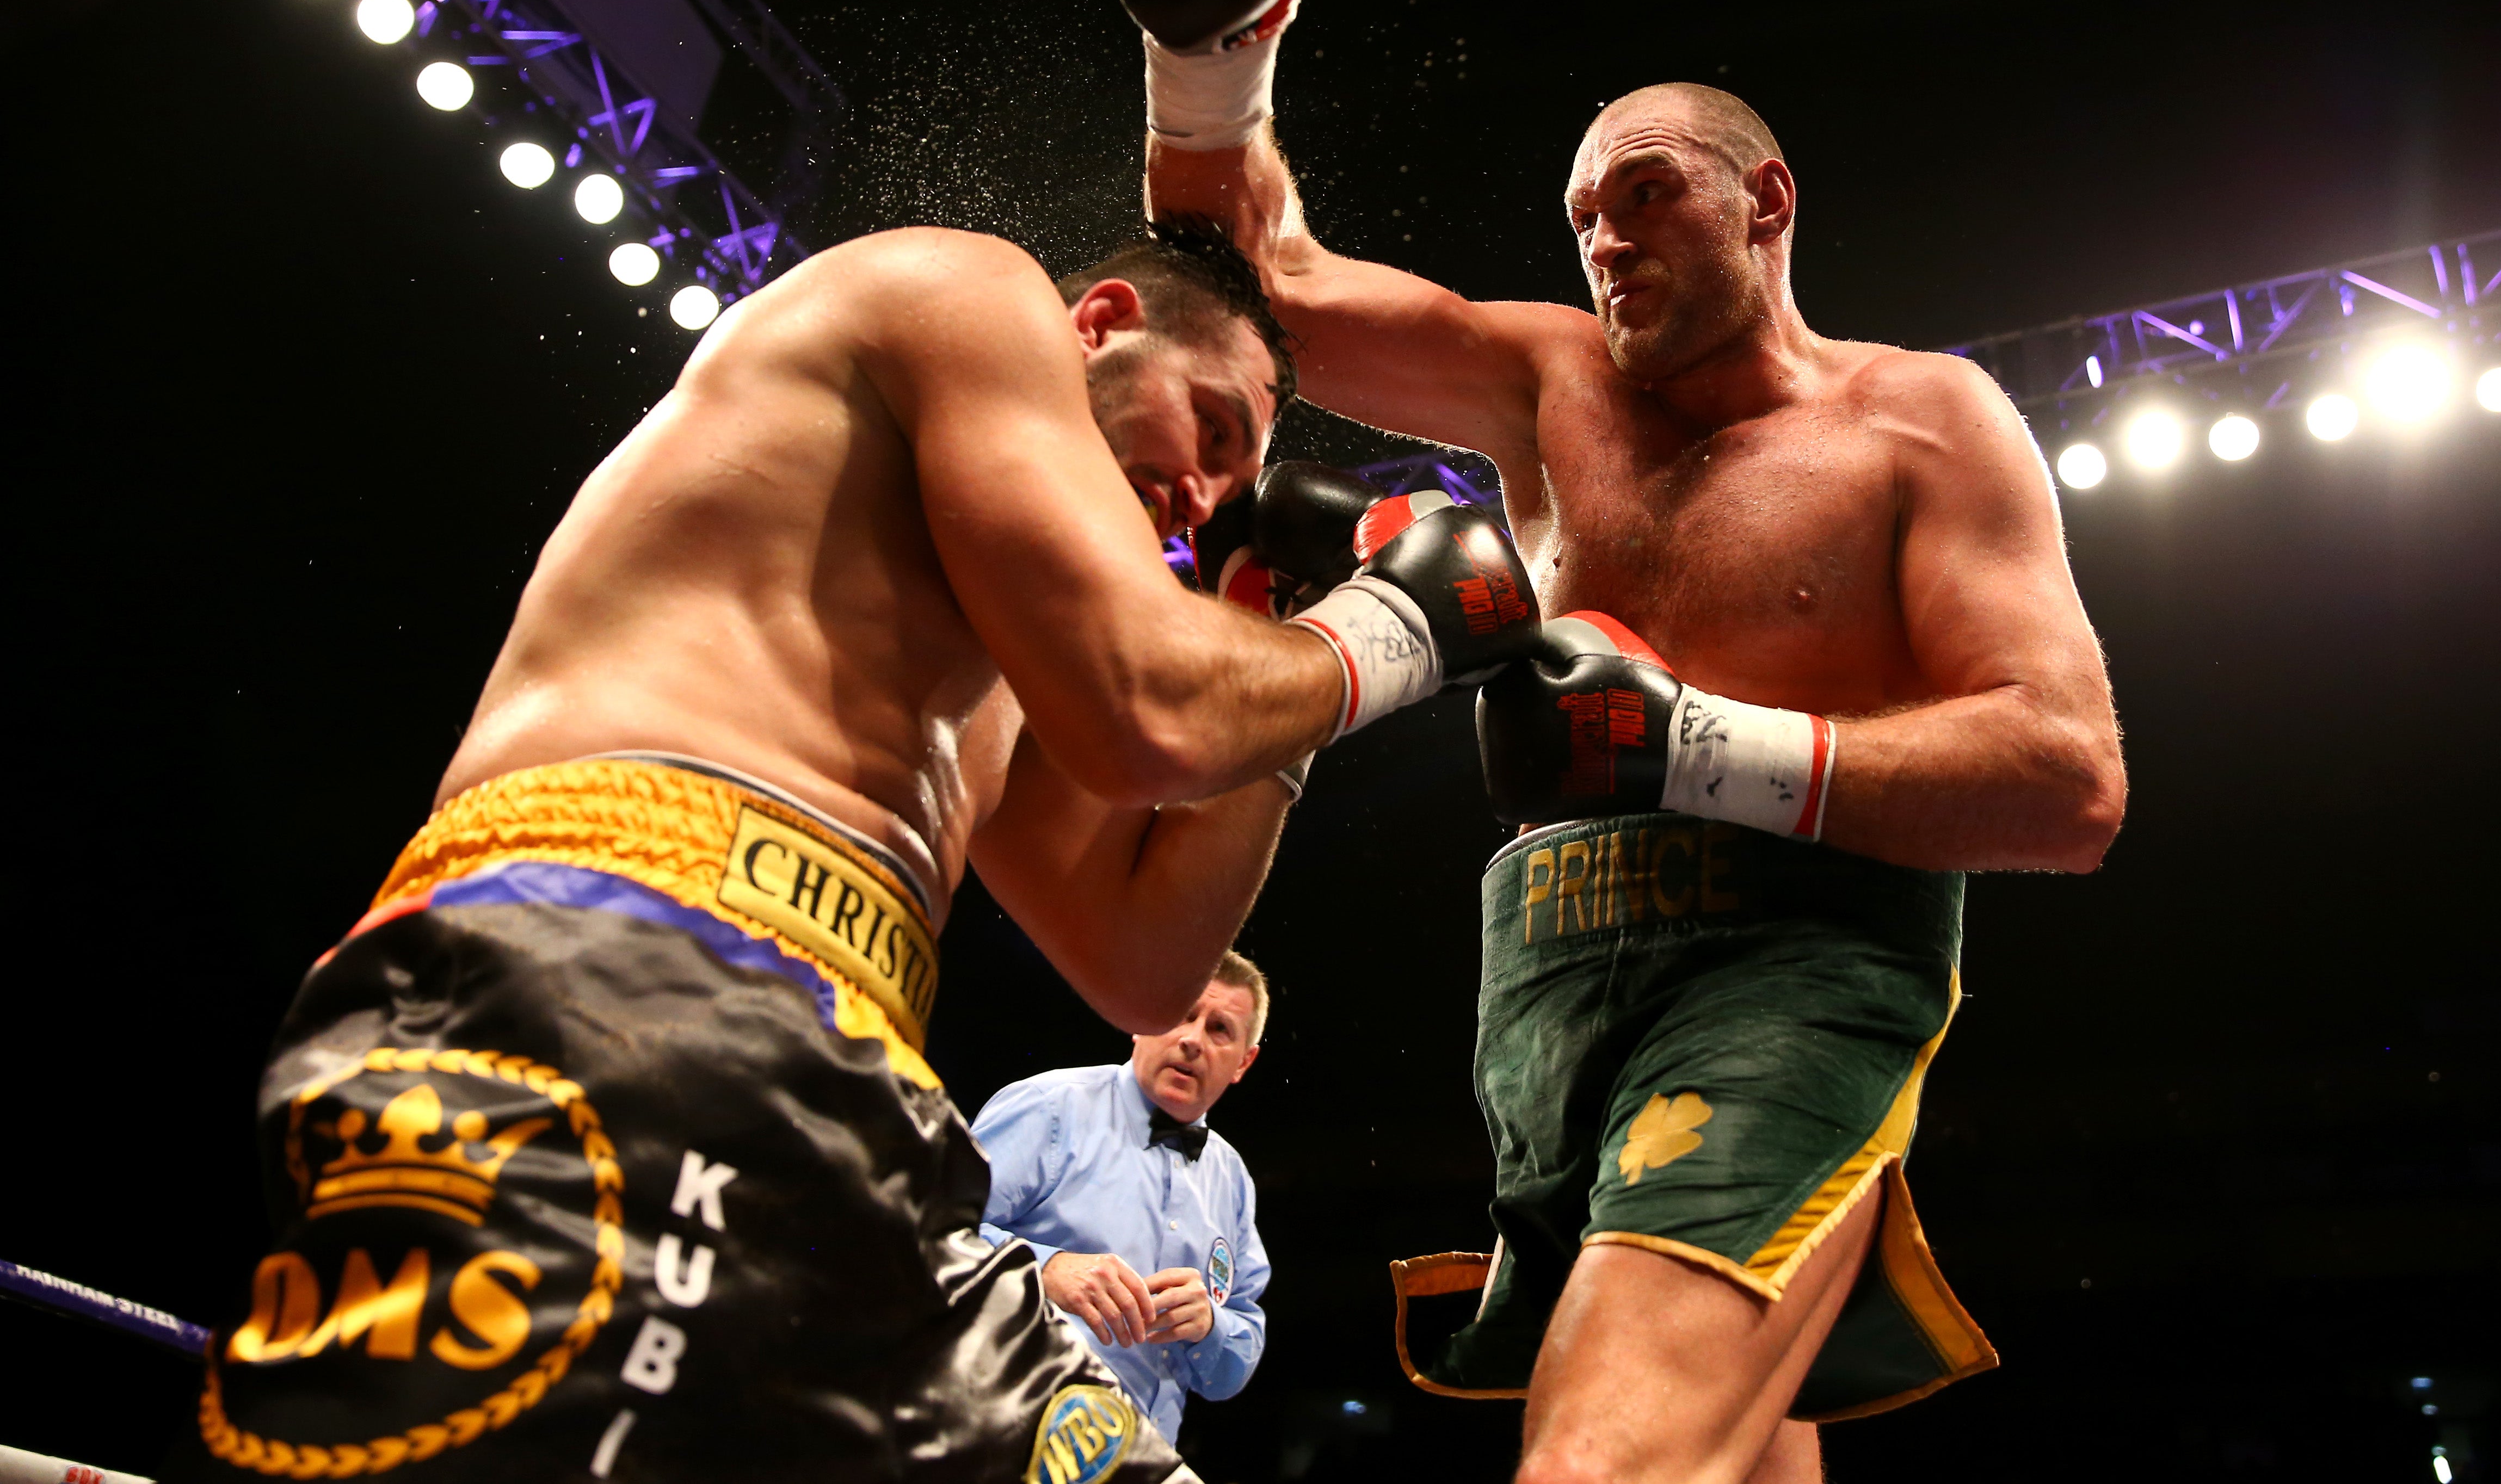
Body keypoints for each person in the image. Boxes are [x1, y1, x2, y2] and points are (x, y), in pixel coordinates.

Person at [182, 217, 1541, 1484]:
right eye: (1211, 426)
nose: (1199, 498)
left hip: (849, 1103)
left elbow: (1145, 955)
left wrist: (1280, 679)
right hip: (617, 962)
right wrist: (1385, 627)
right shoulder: (967, 290)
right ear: (1102, 321)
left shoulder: (1017, 660)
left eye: (1232, 486)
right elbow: (1161, 709)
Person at [1091, 0, 2128, 1484]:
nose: (1606, 244)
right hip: (1544, 995)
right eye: (1583, 215)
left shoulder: (1914, 420)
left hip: (1787, 973)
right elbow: (1252, 284)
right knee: (1722, 1449)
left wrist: (1688, 744)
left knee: (1604, 1455)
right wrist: (1208, 52)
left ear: (1764, 203)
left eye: (1646, 196)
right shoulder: (1545, 383)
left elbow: (2066, 779)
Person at [972, 953, 1273, 1447]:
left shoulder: (1232, 1180)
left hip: (1147, 1460)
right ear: (1141, 1019)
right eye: (1182, 1013)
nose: (1192, 1040)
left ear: (1243, 1062)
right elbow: (926, 1233)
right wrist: (1046, 1270)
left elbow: (1234, 1367)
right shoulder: (1052, 1108)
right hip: (1008, 1442)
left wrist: (1210, 1327)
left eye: (1219, 1029)